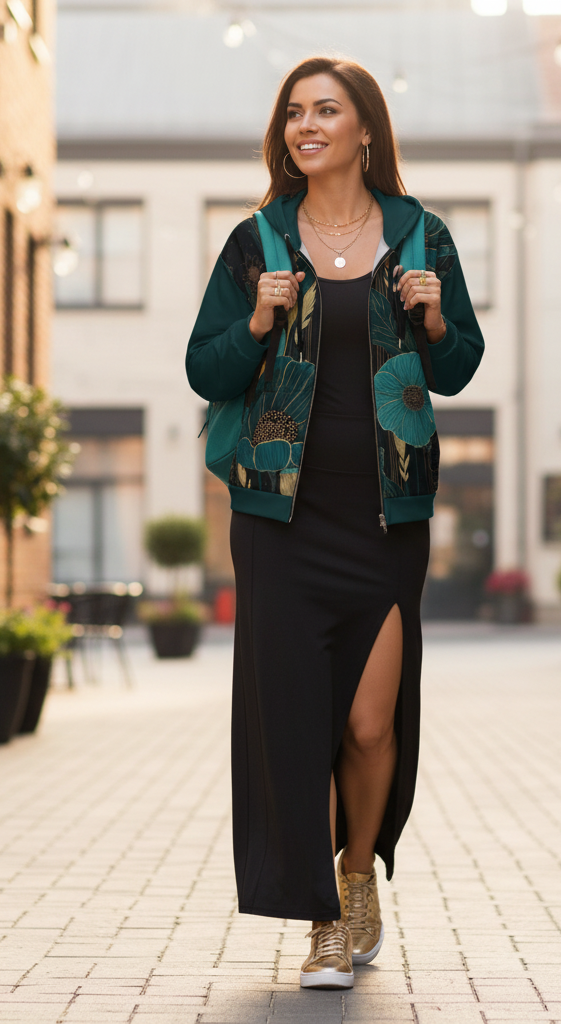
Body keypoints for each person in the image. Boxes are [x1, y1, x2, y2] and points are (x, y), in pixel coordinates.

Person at [186, 55, 484, 990]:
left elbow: (460, 368)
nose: (304, 126)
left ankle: (360, 875)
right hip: (278, 523)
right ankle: (321, 920)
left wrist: (436, 322)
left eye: (326, 110)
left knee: (368, 721)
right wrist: (258, 326)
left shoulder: (421, 234)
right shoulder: (257, 241)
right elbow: (207, 370)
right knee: (298, 721)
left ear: (366, 130)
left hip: (387, 516)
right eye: (292, 114)